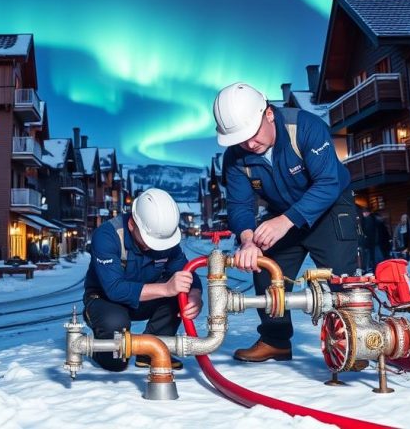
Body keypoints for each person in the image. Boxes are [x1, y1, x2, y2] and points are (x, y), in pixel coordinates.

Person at [214, 82, 358, 363]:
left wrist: (286, 221)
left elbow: (328, 183)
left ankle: (352, 341)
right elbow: (240, 204)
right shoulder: (235, 157)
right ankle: (275, 339)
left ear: (268, 113)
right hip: (282, 212)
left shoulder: (304, 127)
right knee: (266, 268)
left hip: (329, 207)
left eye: (252, 135)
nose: (249, 144)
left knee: (341, 278)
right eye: (240, 139)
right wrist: (248, 239)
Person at [84, 188, 203, 371]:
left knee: (180, 295)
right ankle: (100, 345)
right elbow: (114, 289)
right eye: (150, 240)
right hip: (106, 300)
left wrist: (194, 294)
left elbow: (185, 272)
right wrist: (165, 289)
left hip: (145, 299)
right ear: (132, 224)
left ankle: (151, 349)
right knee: (116, 361)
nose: (155, 247)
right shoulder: (107, 236)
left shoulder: (163, 236)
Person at [359, 208, 381, 273]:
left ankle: (370, 268)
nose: (363, 214)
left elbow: (368, 230)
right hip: (373, 241)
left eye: (364, 212)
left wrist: (365, 237)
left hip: (370, 241)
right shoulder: (372, 219)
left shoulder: (368, 219)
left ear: (367, 213)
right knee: (372, 255)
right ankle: (372, 267)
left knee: (370, 255)